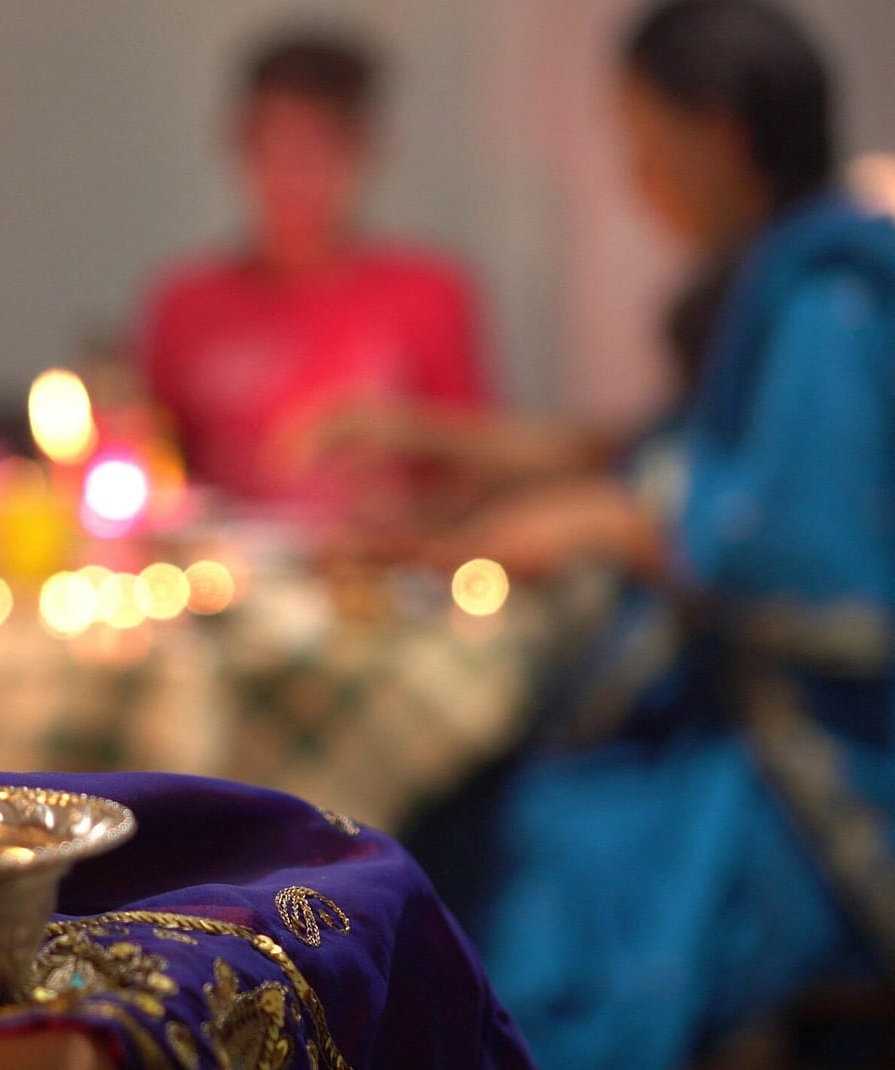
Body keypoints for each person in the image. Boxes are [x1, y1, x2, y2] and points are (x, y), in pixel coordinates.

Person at [409, 3, 895, 1067]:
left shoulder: (831, 300)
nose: (635, 177)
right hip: (730, 713)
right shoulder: (771, 279)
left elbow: (819, 555)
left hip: (812, 760)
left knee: (537, 846)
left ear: (717, 131)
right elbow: (651, 453)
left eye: (641, 142)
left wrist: (617, 524)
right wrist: (442, 444)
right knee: (462, 806)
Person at [139, 30, 488, 510]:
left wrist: (409, 498)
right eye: (272, 149)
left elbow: (476, 475)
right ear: (238, 145)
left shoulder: (428, 293)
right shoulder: (185, 301)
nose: (292, 180)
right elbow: (154, 470)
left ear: (365, 152)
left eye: (316, 152)